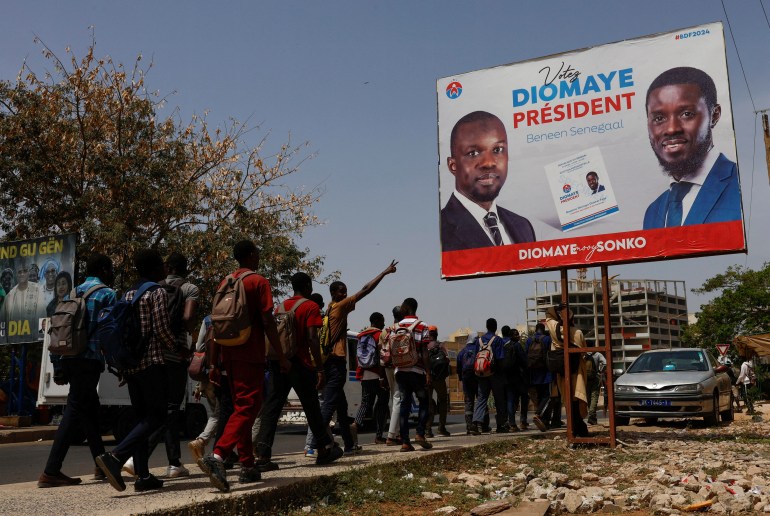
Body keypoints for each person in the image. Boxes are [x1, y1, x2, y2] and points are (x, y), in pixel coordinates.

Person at [197, 240, 290, 492]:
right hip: (251, 352)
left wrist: (214, 362)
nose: (259, 257)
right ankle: (218, 456)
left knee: (242, 407)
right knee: (250, 405)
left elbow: (215, 326)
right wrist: (280, 356)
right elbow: (268, 321)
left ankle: (248, 466)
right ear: (251, 255)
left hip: (228, 353)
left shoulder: (225, 282)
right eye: (257, 252)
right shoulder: (257, 282)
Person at [96, 249, 176, 493]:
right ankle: (117, 456)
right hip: (151, 363)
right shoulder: (157, 292)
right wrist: (179, 348)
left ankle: (143, 475)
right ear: (154, 268)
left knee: (141, 418)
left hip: (131, 365)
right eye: (162, 264)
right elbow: (161, 329)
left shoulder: (128, 293)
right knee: (157, 415)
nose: (165, 268)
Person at [37, 254, 116, 488]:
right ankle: (51, 471)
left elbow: (58, 328)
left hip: (69, 357)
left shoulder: (71, 293)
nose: (111, 273)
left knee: (90, 411)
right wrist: (118, 363)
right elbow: (108, 332)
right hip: (89, 360)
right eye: (110, 268)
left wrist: (58, 364)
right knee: (75, 409)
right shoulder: (107, 294)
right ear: (103, 268)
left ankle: (101, 465)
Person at [253, 272, 344, 471]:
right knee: (311, 407)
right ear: (308, 286)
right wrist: (320, 368)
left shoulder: (281, 306)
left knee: (271, 408)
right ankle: (324, 450)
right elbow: (312, 338)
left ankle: (262, 456)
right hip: (300, 363)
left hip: (279, 362)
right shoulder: (310, 306)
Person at [309, 260, 398, 455]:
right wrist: (384, 272)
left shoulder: (330, 308)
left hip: (330, 361)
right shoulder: (340, 307)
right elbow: (365, 290)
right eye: (342, 291)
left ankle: (349, 444)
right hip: (337, 361)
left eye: (346, 291)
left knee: (341, 406)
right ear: (334, 293)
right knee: (330, 404)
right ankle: (316, 443)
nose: (346, 295)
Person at [125, 252, 199, 479]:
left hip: (147, 356)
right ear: (185, 269)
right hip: (173, 355)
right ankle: (138, 459)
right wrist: (185, 344)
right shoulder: (189, 289)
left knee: (153, 411)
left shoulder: (145, 289)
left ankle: (169, 463)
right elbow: (187, 318)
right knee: (169, 410)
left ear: (168, 267)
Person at [642, 66, 741, 229]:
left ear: (714, 115)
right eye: (659, 118)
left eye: (686, 114)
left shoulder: (739, 186)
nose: (671, 128)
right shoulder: (653, 212)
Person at [440, 110, 536, 252]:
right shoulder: (440, 229)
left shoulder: (523, 226)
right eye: (473, 153)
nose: (489, 163)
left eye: (497, 150)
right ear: (452, 166)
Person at [393, 297, 433, 452]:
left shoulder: (396, 326)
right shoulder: (422, 326)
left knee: (405, 404)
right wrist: (428, 373)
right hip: (416, 371)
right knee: (424, 401)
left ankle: (405, 442)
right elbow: (424, 352)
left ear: (407, 307)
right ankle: (420, 433)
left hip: (400, 371)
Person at [543, 306, 589, 439]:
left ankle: (576, 430)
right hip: (576, 373)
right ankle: (580, 431)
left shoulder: (554, 331)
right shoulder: (577, 333)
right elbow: (584, 352)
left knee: (568, 402)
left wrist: (557, 308)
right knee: (577, 401)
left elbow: (548, 315)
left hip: (562, 373)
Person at [351, 312, 390, 445]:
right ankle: (379, 436)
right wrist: (382, 377)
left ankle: (355, 424)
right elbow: (382, 357)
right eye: (382, 321)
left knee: (365, 403)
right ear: (377, 321)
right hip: (378, 374)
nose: (383, 324)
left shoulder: (361, 335)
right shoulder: (380, 335)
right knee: (382, 405)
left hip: (365, 375)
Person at [472, 318, 509, 434]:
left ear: (486, 327)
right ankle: (500, 425)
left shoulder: (479, 340)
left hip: (481, 373)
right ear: (495, 327)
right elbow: (501, 358)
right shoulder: (498, 340)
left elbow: (475, 357)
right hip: (495, 374)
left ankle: (477, 424)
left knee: (481, 398)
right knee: (499, 400)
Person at [528, 323, 557, 432]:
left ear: (535, 330)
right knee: (548, 397)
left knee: (539, 396)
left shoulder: (529, 340)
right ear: (543, 329)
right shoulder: (547, 339)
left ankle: (543, 421)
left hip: (534, 374)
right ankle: (541, 415)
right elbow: (552, 354)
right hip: (546, 373)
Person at [382, 305, 404, 446]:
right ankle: (391, 436)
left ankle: (396, 433)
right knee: (397, 399)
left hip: (386, 366)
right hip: (398, 366)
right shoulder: (402, 329)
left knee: (393, 399)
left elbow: (381, 349)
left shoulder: (385, 330)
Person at [425, 325, 451, 438]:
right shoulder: (441, 346)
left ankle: (427, 429)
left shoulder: (424, 346)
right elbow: (447, 360)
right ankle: (441, 427)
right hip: (439, 379)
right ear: (436, 334)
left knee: (428, 403)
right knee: (443, 401)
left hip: (427, 378)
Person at [1, 256, 45, 323]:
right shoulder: (10, 296)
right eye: (19, 272)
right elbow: (2, 321)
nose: (22, 274)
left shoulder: (38, 291)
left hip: (34, 332)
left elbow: (43, 318)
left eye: (25, 271)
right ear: (16, 274)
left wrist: (41, 333)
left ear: (28, 272)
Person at [502, 327, 529, 431]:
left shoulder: (505, 346)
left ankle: (512, 423)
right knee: (524, 398)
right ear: (512, 336)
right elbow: (524, 361)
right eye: (516, 334)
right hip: (518, 377)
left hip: (508, 377)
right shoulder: (517, 346)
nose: (518, 336)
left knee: (510, 400)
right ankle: (523, 421)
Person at [584, 351, 606, 425]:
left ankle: (592, 416)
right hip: (595, 378)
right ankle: (591, 415)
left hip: (585, 379)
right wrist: (600, 371)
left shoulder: (584, 354)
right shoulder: (597, 354)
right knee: (594, 396)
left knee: (588, 397)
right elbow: (605, 363)